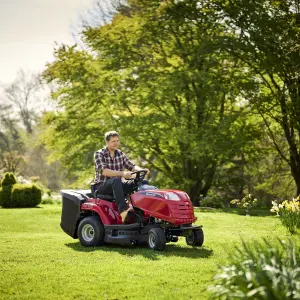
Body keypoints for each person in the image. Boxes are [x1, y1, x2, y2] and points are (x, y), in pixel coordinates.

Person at [93, 131, 150, 223]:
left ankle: (143, 210)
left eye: (117, 141)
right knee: (116, 180)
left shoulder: (120, 154)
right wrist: (122, 174)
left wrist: (141, 169)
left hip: (117, 185)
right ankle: (123, 212)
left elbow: (132, 166)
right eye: (113, 141)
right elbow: (104, 171)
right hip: (101, 186)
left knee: (143, 182)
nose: (116, 143)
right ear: (107, 142)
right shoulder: (99, 154)